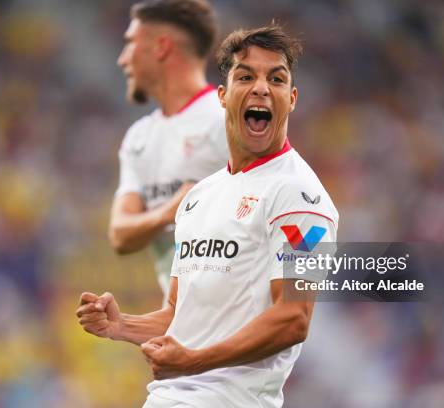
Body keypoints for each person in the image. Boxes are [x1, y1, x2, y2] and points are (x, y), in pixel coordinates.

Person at [78, 25, 339, 407]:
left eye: (277, 79)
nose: (262, 88)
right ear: (222, 96)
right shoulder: (199, 197)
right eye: (246, 76)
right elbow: (181, 317)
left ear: (292, 98)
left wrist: (194, 362)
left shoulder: (302, 197)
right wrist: (122, 326)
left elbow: (294, 318)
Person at [110, 0, 228, 300]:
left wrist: (295, 303)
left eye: (131, 44)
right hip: (184, 326)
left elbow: (290, 208)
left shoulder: (227, 119)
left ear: (161, 47)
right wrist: (170, 211)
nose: (122, 60)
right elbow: (120, 235)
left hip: (240, 325)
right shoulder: (139, 138)